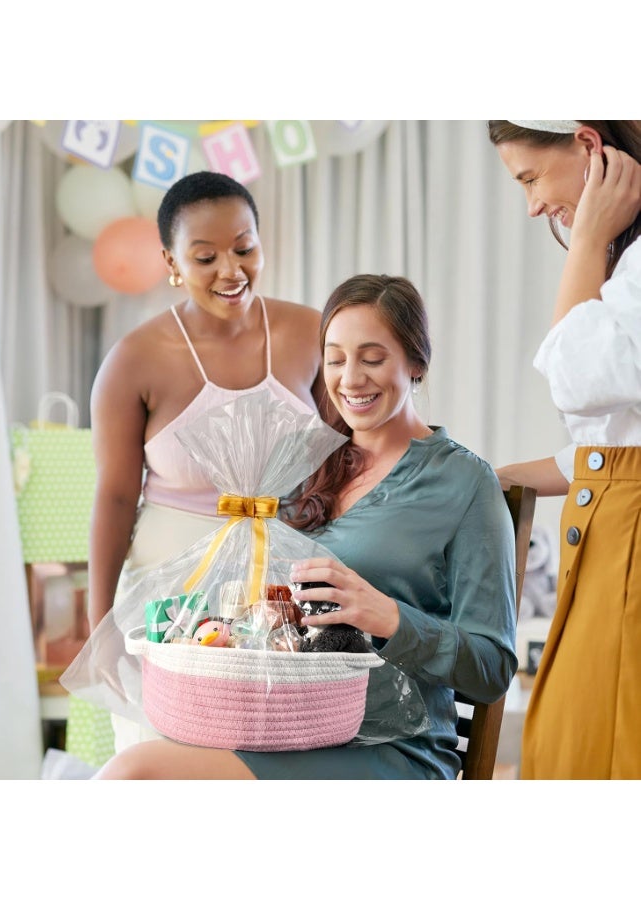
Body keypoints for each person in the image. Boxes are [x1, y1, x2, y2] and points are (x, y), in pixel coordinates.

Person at [94, 273, 518, 780]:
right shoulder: (304, 466)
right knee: (135, 765)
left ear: (416, 362)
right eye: (335, 359)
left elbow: (491, 669)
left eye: (373, 358)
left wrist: (386, 616)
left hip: (395, 747)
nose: (351, 379)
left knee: (137, 774)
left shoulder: (464, 481)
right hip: (282, 728)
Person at [62, 170, 324, 752]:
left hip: (281, 585)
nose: (230, 271)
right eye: (205, 257)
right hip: (166, 593)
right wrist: (99, 623)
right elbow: (112, 497)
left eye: (244, 248)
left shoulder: (312, 333)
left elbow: (347, 462)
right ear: (171, 262)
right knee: (163, 757)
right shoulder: (134, 359)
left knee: (275, 757)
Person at [487, 121, 641, 779]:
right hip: (609, 530)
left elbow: (575, 382)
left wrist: (586, 238)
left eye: (530, 179)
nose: (532, 206)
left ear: (586, 145)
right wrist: (494, 476)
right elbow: (609, 448)